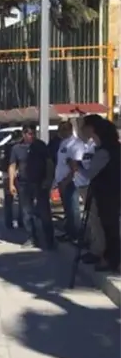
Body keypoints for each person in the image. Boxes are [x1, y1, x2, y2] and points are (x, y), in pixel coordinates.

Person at [69, 115, 121, 272]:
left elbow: (90, 174)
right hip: (112, 193)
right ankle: (111, 258)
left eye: (84, 126)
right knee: (111, 228)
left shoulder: (104, 152)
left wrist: (77, 166)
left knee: (110, 228)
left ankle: (112, 259)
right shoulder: (114, 148)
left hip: (107, 194)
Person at [8, 122, 54, 249]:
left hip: (40, 183)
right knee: (26, 213)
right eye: (29, 133)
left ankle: (49, 240)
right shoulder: (16, 148)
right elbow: (12, 166)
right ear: (23, 134)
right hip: (24, 184)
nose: (32, 136)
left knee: (44, 212)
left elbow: (49, 163)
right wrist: (11, 184)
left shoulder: (40, 145)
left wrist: (49, 179)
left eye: (34, 133)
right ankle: (32, 237)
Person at [53, 121, 85, 242]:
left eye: (63, 130)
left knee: (73, 209)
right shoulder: (63, 143)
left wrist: (65, 181)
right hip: (61, 181)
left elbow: (75, 167)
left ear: (69, 130)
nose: (60, 132)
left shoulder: (76, 144)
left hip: (71, 182)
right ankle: (69, 232)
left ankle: (76, 235)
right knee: (67, 209)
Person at [0, 130, 23, 230]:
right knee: (22, 199)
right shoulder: (19, 147)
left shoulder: (4, 147)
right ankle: (21, 221)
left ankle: (8, 222)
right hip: (18, 175)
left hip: (6, 175)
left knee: (8, 200)